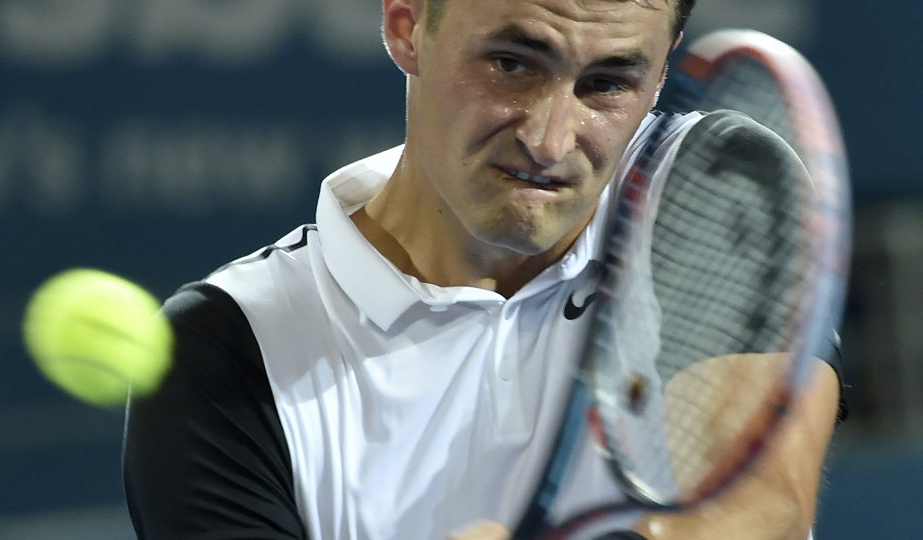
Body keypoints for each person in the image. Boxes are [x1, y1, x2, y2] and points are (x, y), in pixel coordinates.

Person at [123, 0, 844, 538]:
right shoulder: (224, 348)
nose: (548, 140)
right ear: (407, 24)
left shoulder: (711, 185)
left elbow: (763, 507)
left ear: (661, 70)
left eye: (607, 84)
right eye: (511, 63)